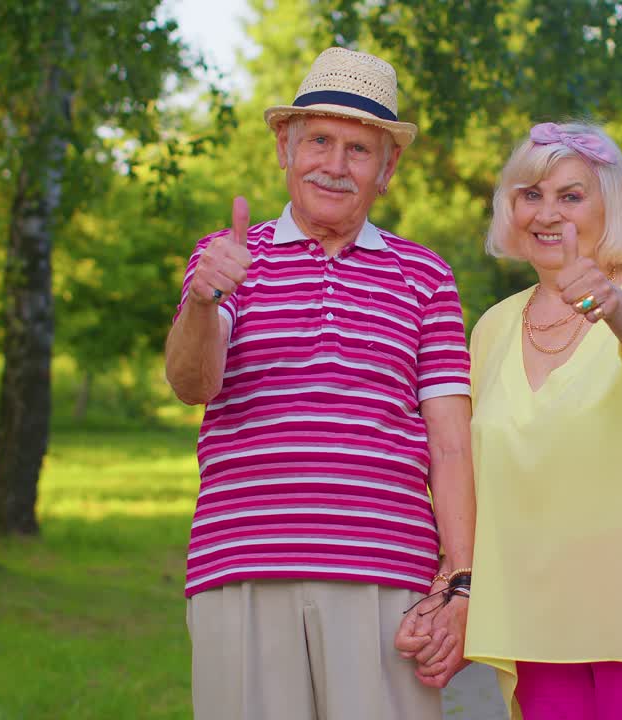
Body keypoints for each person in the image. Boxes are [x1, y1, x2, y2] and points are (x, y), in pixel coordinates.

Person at [164, 47, 475, 720]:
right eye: (320, 142)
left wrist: (461, 587)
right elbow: (192, 383)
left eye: (358, 150)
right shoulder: (228, 257)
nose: (335, 166)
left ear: (386, 168)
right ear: (286, 147)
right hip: (242, 565)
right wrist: (201, 299)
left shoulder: (426, 277)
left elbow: (451, 445)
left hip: (386, 578)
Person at [411, 121, 622, 719]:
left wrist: (611, 305)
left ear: (608, 205)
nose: (547, 213)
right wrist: (456, 592)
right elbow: (470, 472)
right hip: (540, 627)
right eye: (530, 195)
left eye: (571, 195)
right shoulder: (492, 327)